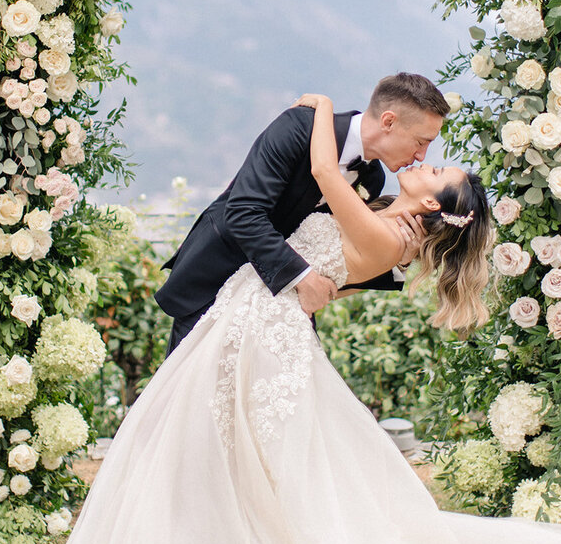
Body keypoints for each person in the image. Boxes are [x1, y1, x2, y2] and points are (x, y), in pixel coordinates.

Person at [58, 95, 561, 544]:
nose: (426, 162)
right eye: (426, 153)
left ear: (430, 203)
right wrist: (311, 285)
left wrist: (320, 106)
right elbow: (322, 258)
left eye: (434, 170)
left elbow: (325, 174)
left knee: (235, 451)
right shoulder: (387, 223)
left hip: (262, 329)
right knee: (232, 451)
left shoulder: (379, 227)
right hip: (256, 319)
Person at [155, 72, 450, 353]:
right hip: (216, 278)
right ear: (388, 121)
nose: (421, 156)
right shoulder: (299, 127)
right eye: (421, 141)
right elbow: (243, 212)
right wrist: (302, 278)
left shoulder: (372, 179)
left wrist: (398, 261)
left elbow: (340, 262)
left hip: (276, 312)